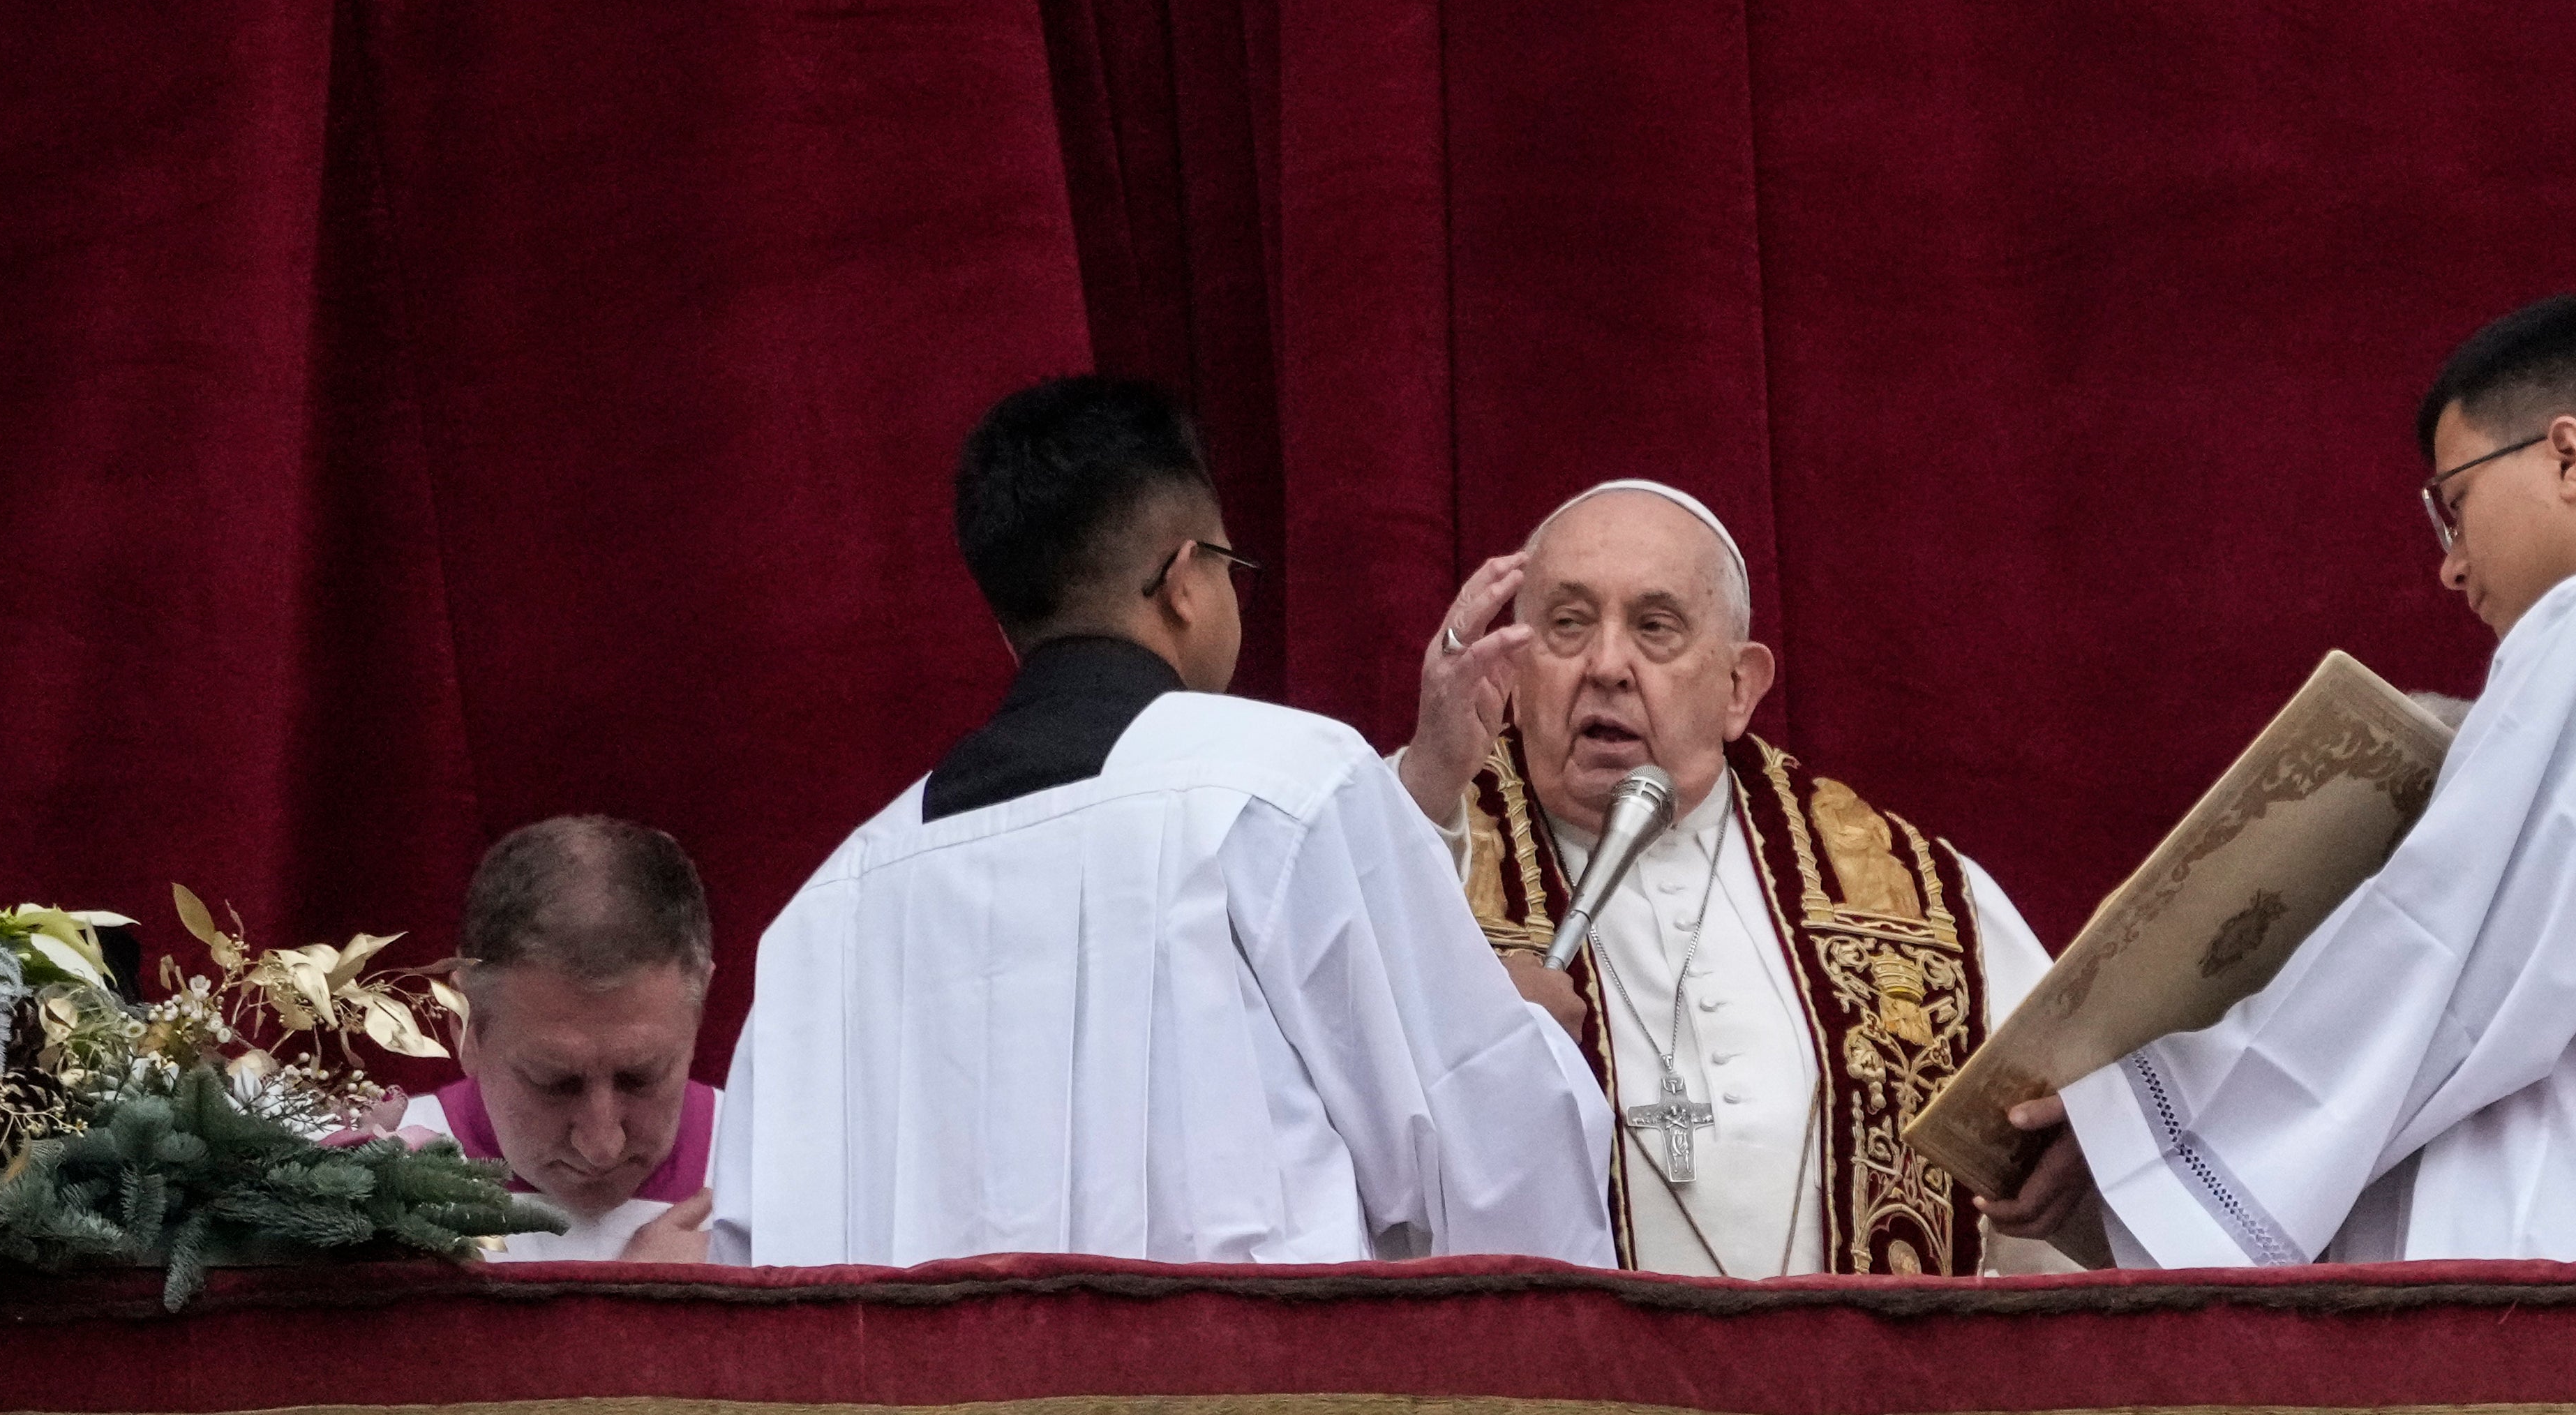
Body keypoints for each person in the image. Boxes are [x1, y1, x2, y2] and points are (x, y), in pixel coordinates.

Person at [1993, 295, 2576, 1266]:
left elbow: (2441, 957)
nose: (2451, 566)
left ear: (2566, 455)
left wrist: (2143, 1128)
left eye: (2454, 505)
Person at [708, 378, 1615, 1268]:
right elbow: (1490, 1154)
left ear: (1005, 624)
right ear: (1186, 579)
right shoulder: (1282, 791)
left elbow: (761, 1267)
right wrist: (1517, 1025)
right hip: (1234, 1413)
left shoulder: (823, 916)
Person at [1395, 481, 2072, 1276]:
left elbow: (2055, 1218)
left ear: (1738, 687)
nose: (1606, 664)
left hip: (1863, 1397)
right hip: (1555, 1400)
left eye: (1654, 628)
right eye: (1567, 624)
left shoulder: (1917, 895)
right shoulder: (1416, 836)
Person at [398, 816, 717, 1263]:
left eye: (640, 1077)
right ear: (462, 1025)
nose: (602, 1145)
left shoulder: (792, 1176)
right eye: (554, 1082)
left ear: (700, 1006)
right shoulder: (356, 1186)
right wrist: (638, 1322)